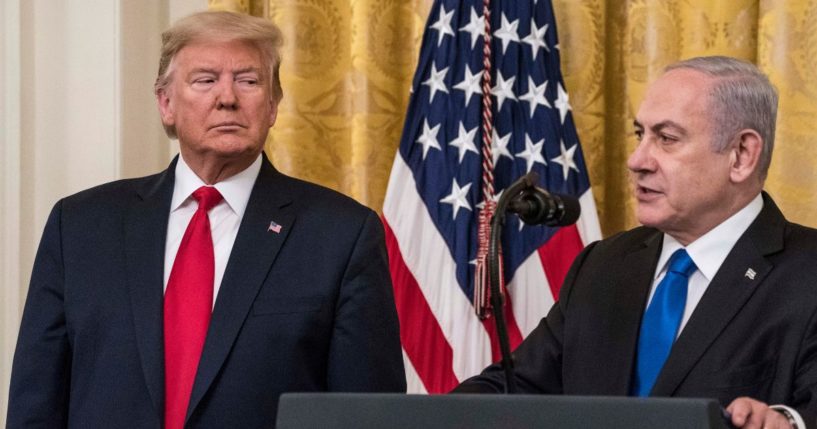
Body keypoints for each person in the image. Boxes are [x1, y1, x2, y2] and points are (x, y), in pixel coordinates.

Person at [7, 11, 405, 428]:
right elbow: (35, 406)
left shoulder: (341, 235)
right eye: (205, 80)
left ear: (272, 105)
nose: (228, 97)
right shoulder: (80, 227)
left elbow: (366, 416)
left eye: (249, 81)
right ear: (166, 104)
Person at [454, 56, 817, 428]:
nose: (637, 160)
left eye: (667, 138)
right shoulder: (604, 264)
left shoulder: (808, 275)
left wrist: (787, 423)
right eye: (640, 134)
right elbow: (517, 387)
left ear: (741, 155)